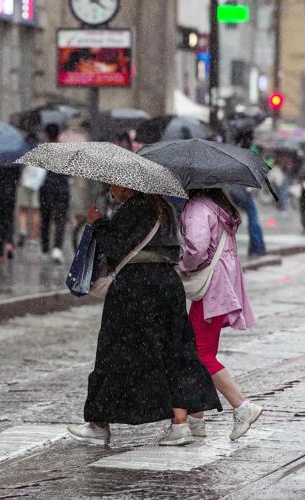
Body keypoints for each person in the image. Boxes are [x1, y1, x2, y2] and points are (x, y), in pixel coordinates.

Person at [67, 186, 221, 446]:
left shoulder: (135, 208)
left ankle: (99, 424)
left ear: (128, 186)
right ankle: (179, 425)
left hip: (136, 287)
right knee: (173, 352)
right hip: (168, 285)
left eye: (113, 184)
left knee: (115, 354)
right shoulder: (166, 209)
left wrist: (98, 223)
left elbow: (115, 246)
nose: (110, 188)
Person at [179, 188, 263, 441]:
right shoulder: (218, 207)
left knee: (199, 354)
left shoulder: (198, 208)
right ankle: (196, 418)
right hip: (221, 287)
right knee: (202, 353)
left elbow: (195, 250)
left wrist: (181, 266)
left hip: (210, 290)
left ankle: (242, 407)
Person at [228, 130, 266, 257]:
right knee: (253, 218)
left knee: (251, 218)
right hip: (245, 190)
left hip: (237, 189)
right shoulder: (251, 152)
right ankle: (257, 248)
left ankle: (256, 248)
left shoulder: (235, 151)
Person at [39, 124, 70, 264]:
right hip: (62, 189)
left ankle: (45, 247)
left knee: (46, 218)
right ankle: (57, 248)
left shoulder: (43, 149)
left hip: (46, 189)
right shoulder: (64, 150)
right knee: (60, 220)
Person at [16, 133, 43, 249]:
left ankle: (22, 230)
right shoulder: (42, 149)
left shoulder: (23, 149)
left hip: (24, 181)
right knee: (36, 211)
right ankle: (33, 238)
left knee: (23, 209)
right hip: (37, 184)